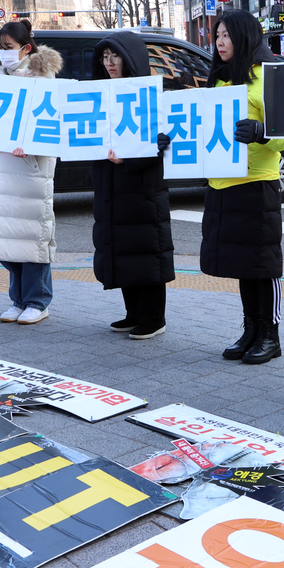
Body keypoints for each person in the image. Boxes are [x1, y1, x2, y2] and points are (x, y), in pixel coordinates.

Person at [202, 9, 284, 364]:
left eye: (226, 35)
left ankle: (270, 335)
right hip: (223, 184)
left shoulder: (267, 77)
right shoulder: (220, 78)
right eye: (217, 36)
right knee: (243, 263)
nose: (220, 42)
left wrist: (262, 133)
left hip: (258, 184)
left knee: (264, 264)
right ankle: (250, 329)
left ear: (244, 37)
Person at [0, 20, 61, 325]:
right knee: (7, 240)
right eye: (0, 48)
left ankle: (37, 300)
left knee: (31, 239)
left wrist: (33, 146)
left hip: (28, 173)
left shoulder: (43, 81)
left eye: (8, 48)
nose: (3, 54)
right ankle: (18, 300)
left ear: (26, 49)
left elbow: (53, 128)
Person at [89, 31, 174, 340]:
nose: (110, 63)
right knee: (121, 247)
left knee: (144, 249)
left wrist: (128, 160)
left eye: (116, 57)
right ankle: (133, 313)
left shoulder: (151, 95)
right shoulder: (98, 93)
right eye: (105, 57)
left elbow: (161, 144)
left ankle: (153, 318)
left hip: (141, 186)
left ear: (131, 58)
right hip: (110, 183)